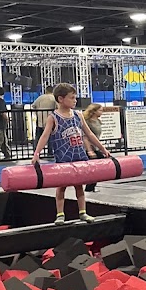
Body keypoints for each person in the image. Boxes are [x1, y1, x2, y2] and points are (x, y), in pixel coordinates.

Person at [33, 84, 109, 224]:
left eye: (75, 97)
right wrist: (36, 153)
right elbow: (45, 136)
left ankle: (83, 212)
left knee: (79, 185)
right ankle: (60, 214)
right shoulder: (53, 117)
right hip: (63, 157)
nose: (75, 100)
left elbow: (89, 134)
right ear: (61, 99)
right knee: (61, 186)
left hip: (78, 155)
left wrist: (103, 149)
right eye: (72, 98)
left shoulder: (78, 115)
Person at [82, 103, 104, 192]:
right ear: (94, 111)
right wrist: (89, 150)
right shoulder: (87, 122)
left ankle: (91, 187)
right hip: (89, 148)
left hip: (96, 147)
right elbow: (85, 137)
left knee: (98, 167)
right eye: (100, 110)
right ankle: (89, 187)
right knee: (94, 168)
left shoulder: (98, 121)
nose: (102, 112)